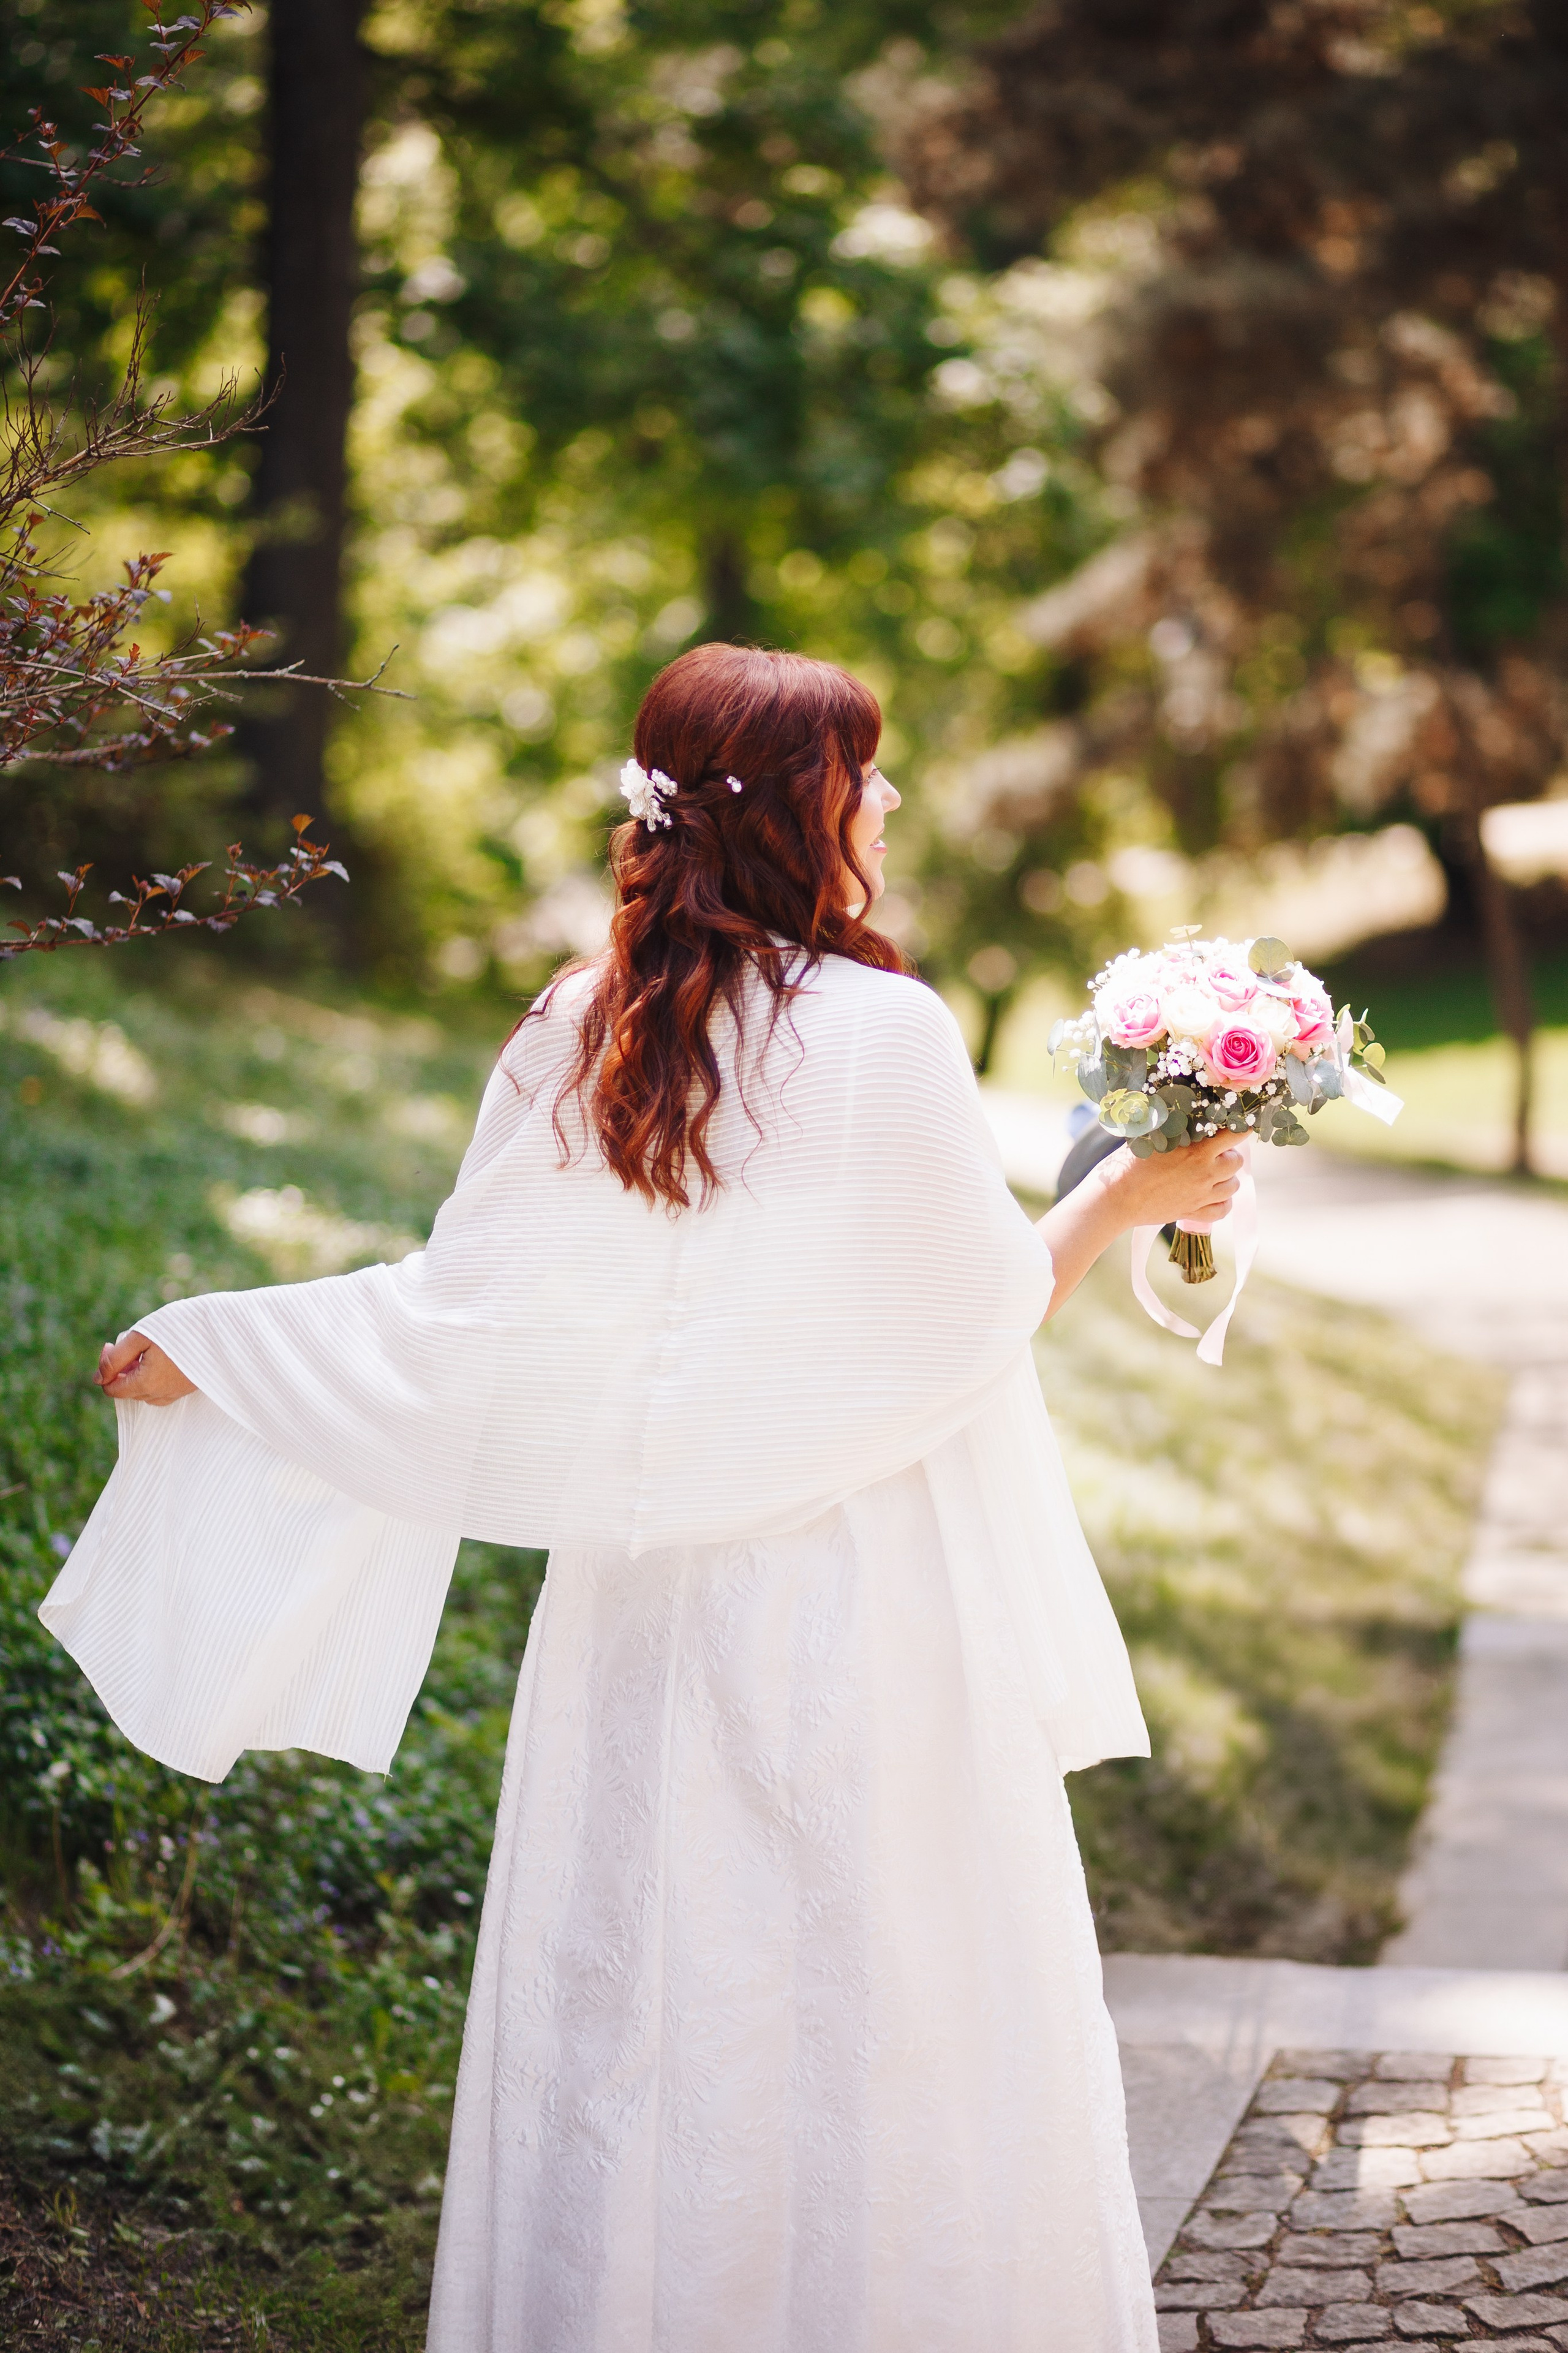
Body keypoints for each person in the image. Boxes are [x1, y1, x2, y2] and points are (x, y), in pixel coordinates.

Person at [47, 643, 1240, 2353]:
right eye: (866, 774)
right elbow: (979, 1318)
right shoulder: (885, 1034)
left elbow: (460, 1316)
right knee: (873, 1992)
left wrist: (229, 1346)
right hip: (866, 1601)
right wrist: (1127, 1197)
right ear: (800, 807)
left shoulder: (579, 1020)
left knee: (643, 2003)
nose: (891, 800)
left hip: (642, 1611)